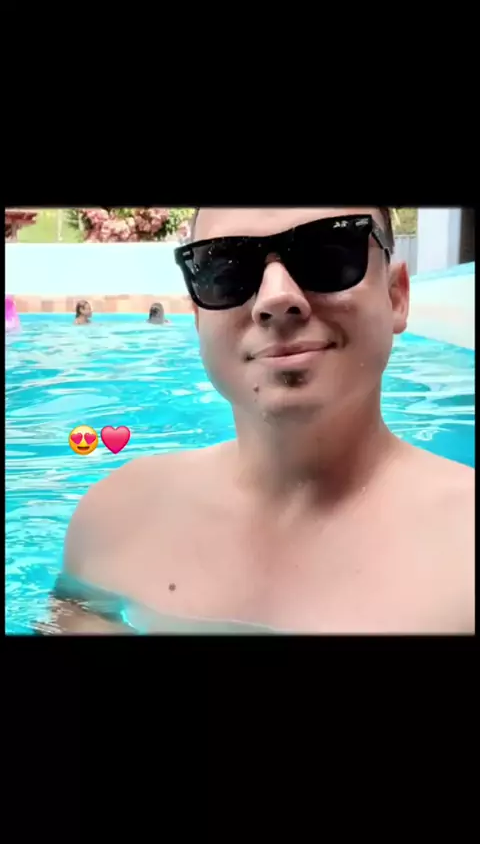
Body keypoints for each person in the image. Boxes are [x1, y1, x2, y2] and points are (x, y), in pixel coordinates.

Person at [52, 208, 474, 634]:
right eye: (225, 269)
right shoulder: (112, 523)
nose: (275, 298)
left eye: (327, 254)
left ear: (396, 297)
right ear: (198, 319)